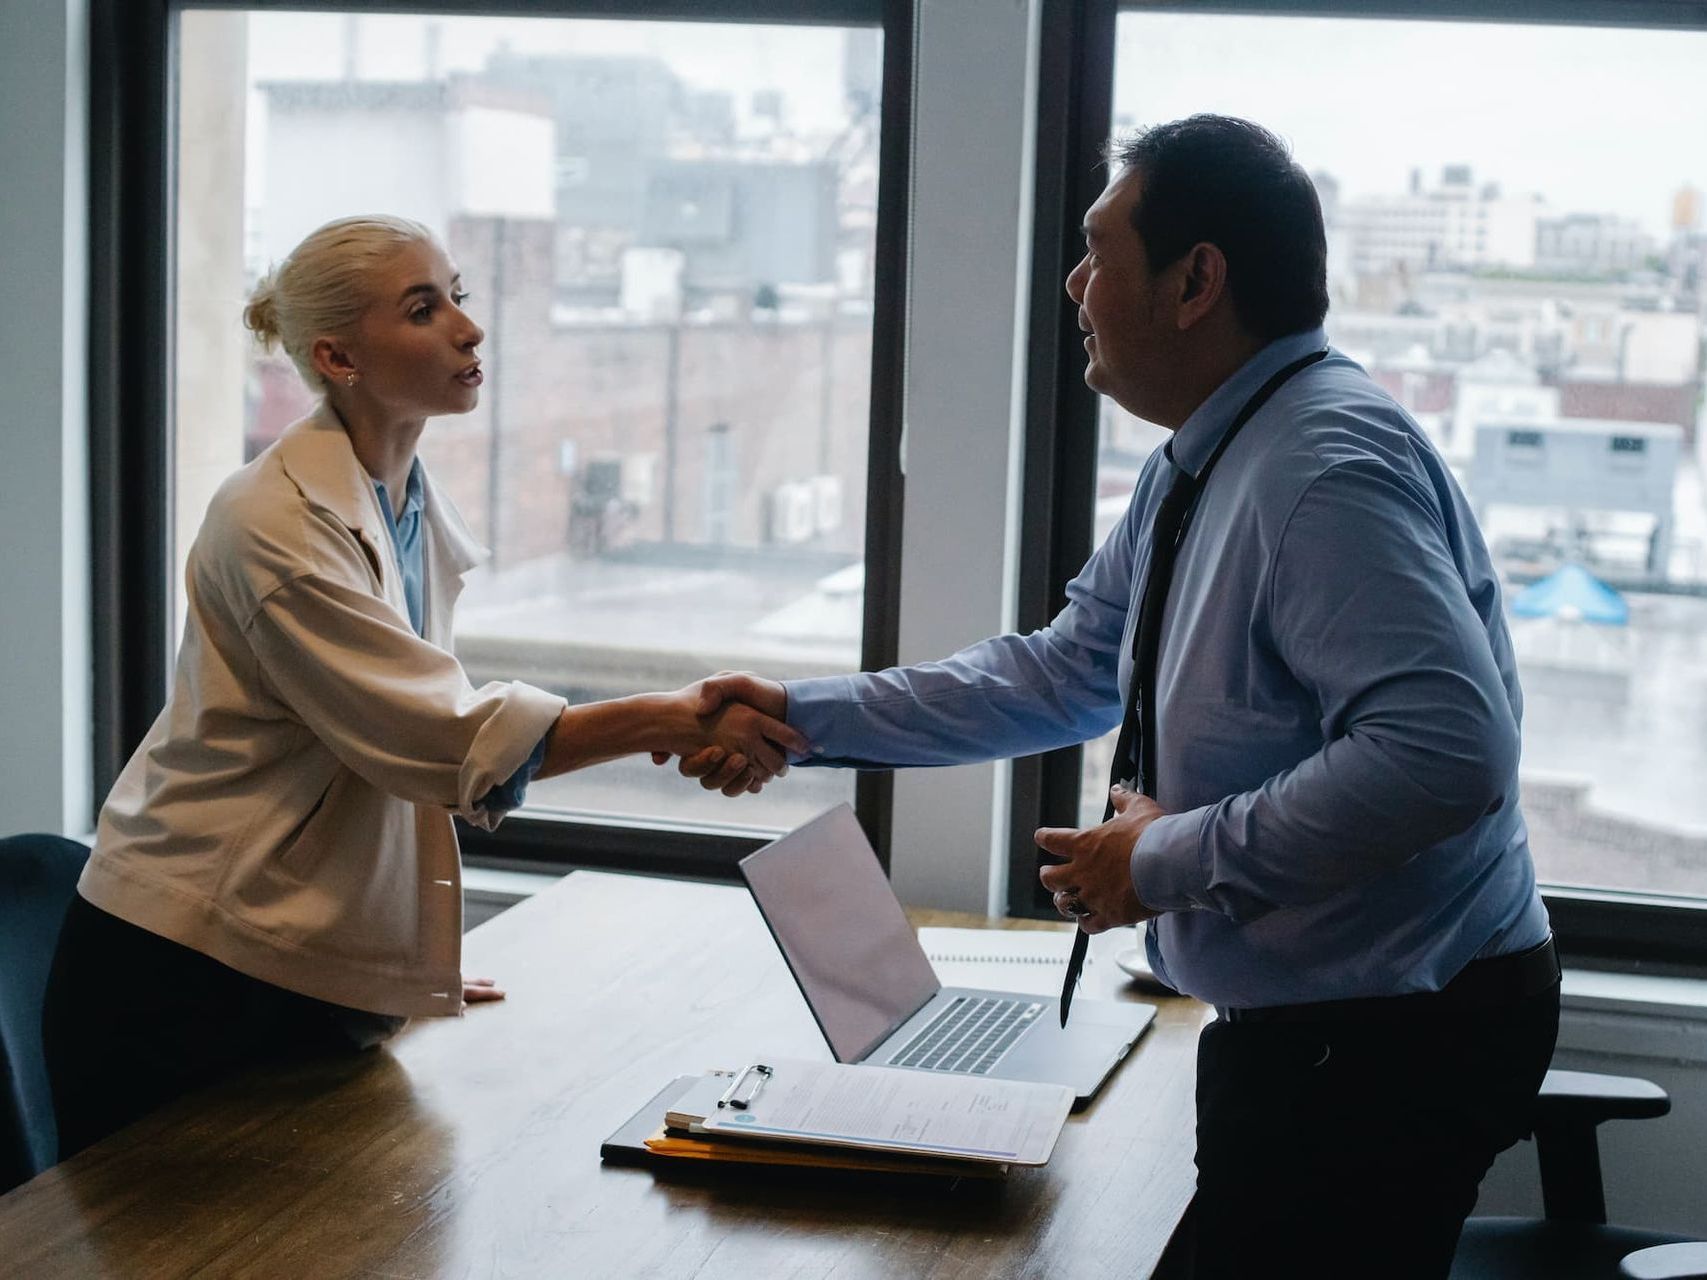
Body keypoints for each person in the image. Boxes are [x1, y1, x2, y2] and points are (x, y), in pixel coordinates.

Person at [676, 116, 1559, 1278]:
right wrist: (804, 714)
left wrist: (1158, 860)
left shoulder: (1324, 467)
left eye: (1099, 252)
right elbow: (1067, 668)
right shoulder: (1210, 453)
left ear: (1197, 281)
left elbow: (1445, 752)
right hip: (1327, 1025)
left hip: (1385, 1032)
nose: (1073, 284)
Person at [43, 215, 801, 1160]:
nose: (468, 329)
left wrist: (401, 958)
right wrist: (673, 718)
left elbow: (391, 747)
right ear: (336, 355)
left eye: (458, 296)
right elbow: (437, 738)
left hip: (287, 951)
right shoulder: (274, 522)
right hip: (189, 967)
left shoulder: (395, 495)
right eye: (422, 308)